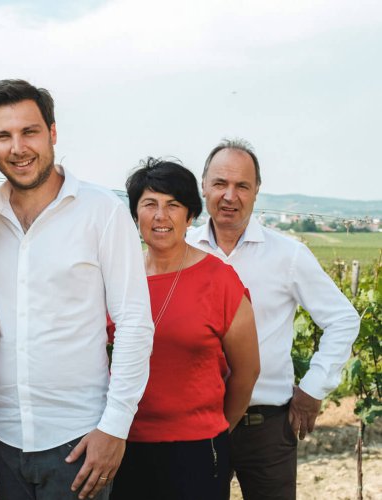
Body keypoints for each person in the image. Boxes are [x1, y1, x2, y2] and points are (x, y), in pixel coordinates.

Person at [0, 79, 154, 500]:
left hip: (78, 443)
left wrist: (114, 427)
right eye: (3, 136)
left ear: (53, 133)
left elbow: (134, 322)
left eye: (29, 132)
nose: (17, 147)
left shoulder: (102, 211)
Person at [186, 138, 361, 499]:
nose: (230, 195)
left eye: (242, 186)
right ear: (203, 186)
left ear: (256, 192)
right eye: (220, 183)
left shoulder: (288, 255)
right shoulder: (182, 251)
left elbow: (343, 319)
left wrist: (313, 389)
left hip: (264, 428)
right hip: (194, 426)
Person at [109, 158, 260, 500]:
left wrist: (213, 426)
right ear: (135, 215)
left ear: (190, 216)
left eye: (173, 205)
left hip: (195, 450)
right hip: (121, 445)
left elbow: (247, 371)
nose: (161, 216)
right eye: (149, 204)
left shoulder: (218, 280)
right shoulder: (117, 279)